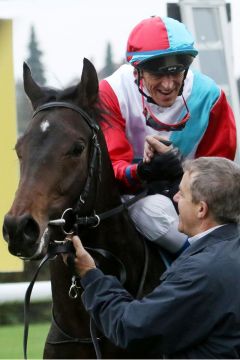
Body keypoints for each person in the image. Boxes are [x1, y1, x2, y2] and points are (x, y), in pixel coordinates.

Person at [67, 157, 240, 358]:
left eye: (182, 194)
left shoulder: (201, 271)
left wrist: (91, 276)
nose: (175, 198)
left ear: (201, 209)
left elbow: (131, 329)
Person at [99, 15, 237, 255]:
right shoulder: (111, 92)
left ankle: (207, 267)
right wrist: (144, 171)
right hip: (130, 196)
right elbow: (110, 166)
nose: (168, 84)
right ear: (137, 71)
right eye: (158, 75)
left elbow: (221, 174)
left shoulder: (210, 97)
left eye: (176, 72)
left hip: (193, 197)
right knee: (148, 210)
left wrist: (181, 174)